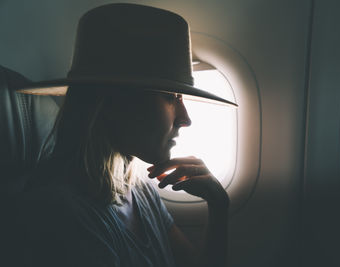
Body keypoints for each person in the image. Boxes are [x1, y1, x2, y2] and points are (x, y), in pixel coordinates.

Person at [15, 3, 237, 267]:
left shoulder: (139, 190)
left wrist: (219, 204)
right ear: (113, 104)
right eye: (169, 97)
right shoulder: (61, 212)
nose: (185, 118)